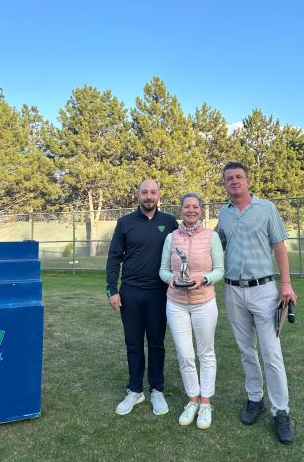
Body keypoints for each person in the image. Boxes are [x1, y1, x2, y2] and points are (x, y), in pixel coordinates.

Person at [216, 162, 297, 444]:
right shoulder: (223, 213)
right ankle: (255, 399)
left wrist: (285, 284)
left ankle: (281, 411)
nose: (234, 181)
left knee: (271, 353)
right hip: (232, 290)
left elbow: (279, 247)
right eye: (229, 178)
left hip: (264, 290)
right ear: (225, 183)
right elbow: (217, 246)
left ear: (248, 181)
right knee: (245, 350)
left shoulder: (266, 208)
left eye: (239, 177)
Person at [106, 180, 179, 416]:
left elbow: (180, 253)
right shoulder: (124, 222)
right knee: (133, 343)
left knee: (156, 343)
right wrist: (112, 289)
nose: (149, 196)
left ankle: (157, 389)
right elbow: (114, 257)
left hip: (160, 294)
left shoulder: (170, 222)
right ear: (138, 195)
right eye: (144, 192)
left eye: (153, 192)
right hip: (131, 293)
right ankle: (135, 390)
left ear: (159, 195)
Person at [159, 192, 224, 430]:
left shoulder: (211, 236)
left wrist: (204, 279)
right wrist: (172, 280)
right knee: (185, 354)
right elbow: (163, 270)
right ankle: (192, 400)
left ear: (201, 210)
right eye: (187, 206)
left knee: (206, 353)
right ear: (181, 210)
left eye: (195, 206)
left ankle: (205, 403)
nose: (191, 210)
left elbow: (220, 270)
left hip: (204, 302)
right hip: (176, 304)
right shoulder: (171, 237)